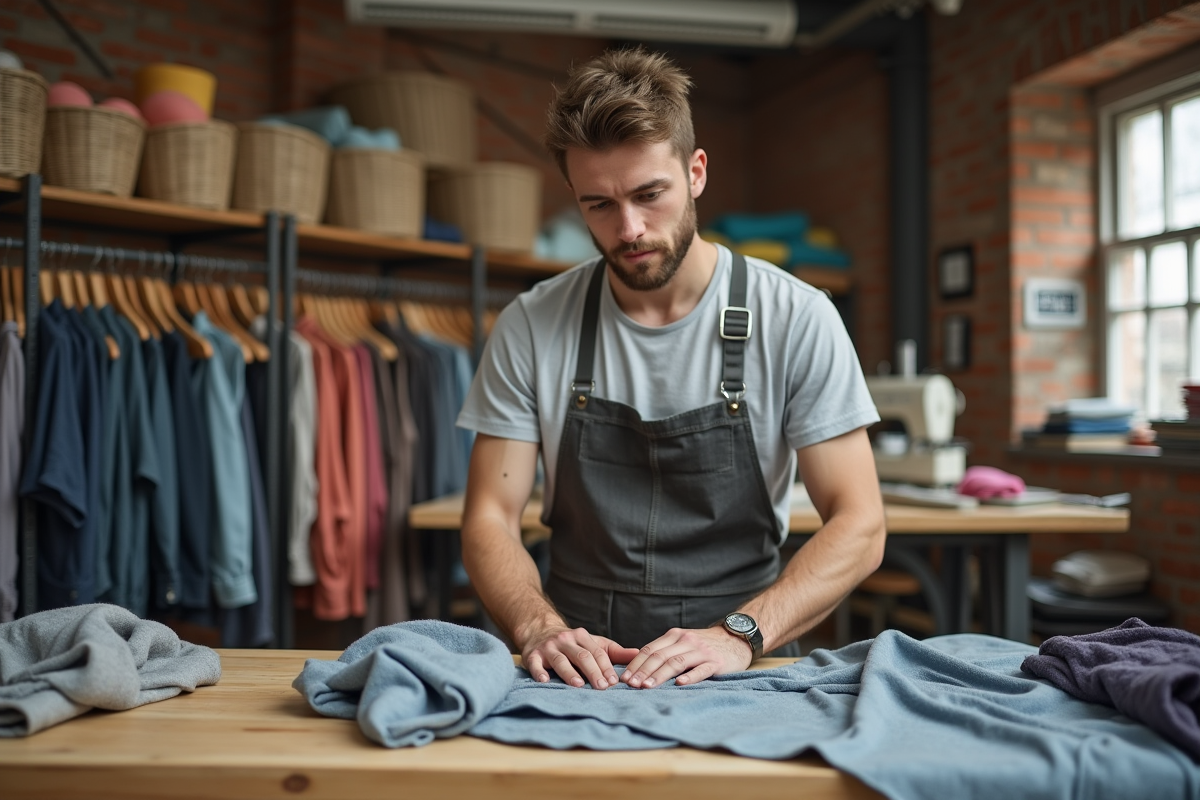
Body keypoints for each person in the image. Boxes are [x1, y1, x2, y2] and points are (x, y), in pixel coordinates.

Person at [457, 47, 886, 691]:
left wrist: (739, 635)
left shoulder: (796, 316)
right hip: (577, 664)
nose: (628, 228)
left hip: (744, 655)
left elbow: (860, 522)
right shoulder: (531, 322)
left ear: (696, 173)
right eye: (598, 204)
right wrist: (537, 628)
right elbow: (490, 515)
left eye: (648, 194)